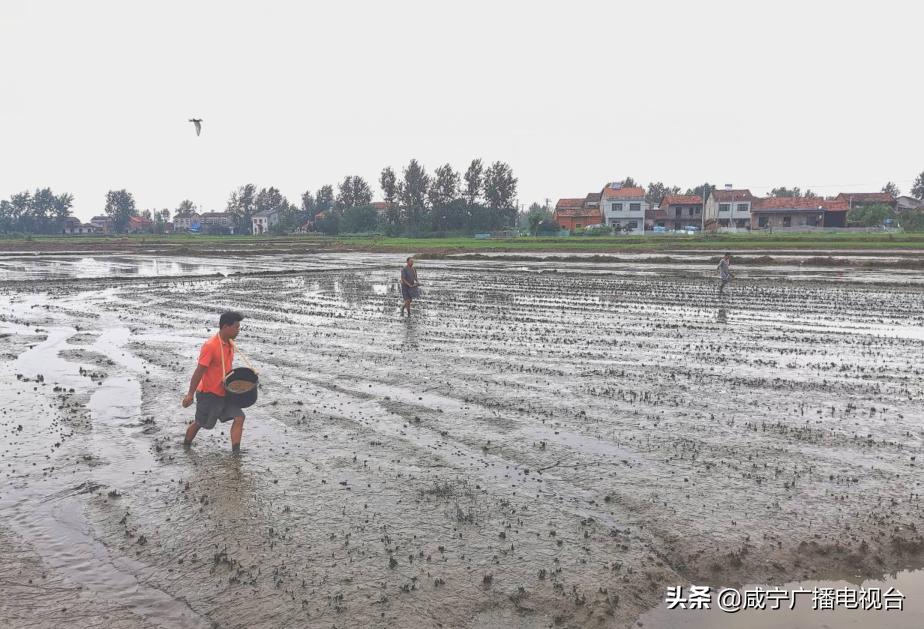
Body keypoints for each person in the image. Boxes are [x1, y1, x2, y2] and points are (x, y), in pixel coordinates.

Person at [182, 311, 246, 453]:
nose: (238, 331)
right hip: (208, 394)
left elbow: (227, 368)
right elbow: (199, 371)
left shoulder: (230, 343)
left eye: (239, 327)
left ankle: (236, 454)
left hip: (226, 392)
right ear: (225, 327)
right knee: (201, 423)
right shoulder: (211, 346)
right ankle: (185, 446)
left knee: (239, 417)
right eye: (236, 327)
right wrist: (190, 394)